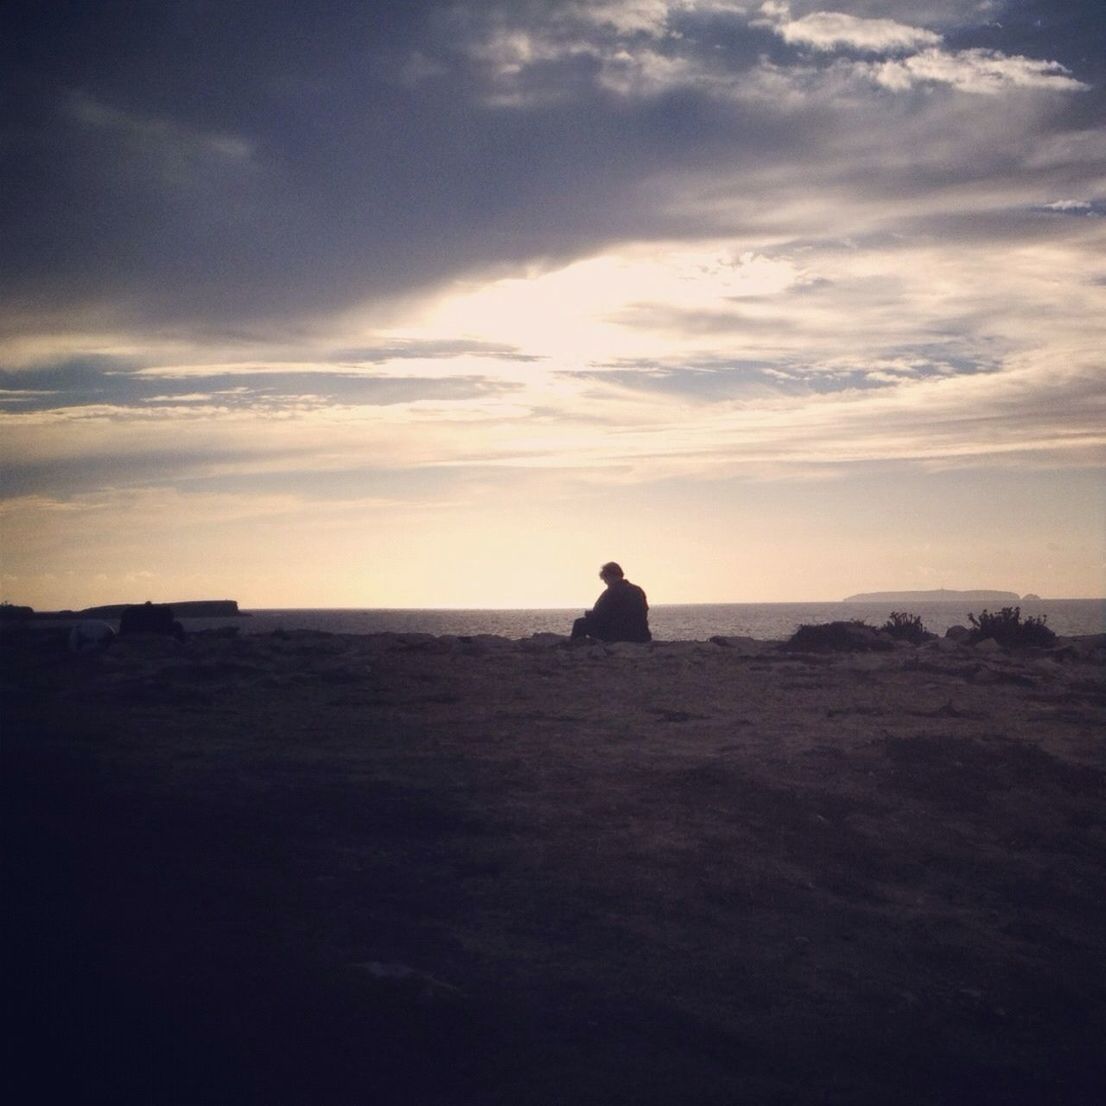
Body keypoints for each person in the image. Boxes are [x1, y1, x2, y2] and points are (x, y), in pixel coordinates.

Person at [571, 562, 652, 643]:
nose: (605, 582)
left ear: (609, 576)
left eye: (604, 579)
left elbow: (599, 615)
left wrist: (589, 614)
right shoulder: (637, 590)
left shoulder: (611, 592)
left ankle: (574, 649)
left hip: (619, 635)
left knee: (580, 623)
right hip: (641, 635)